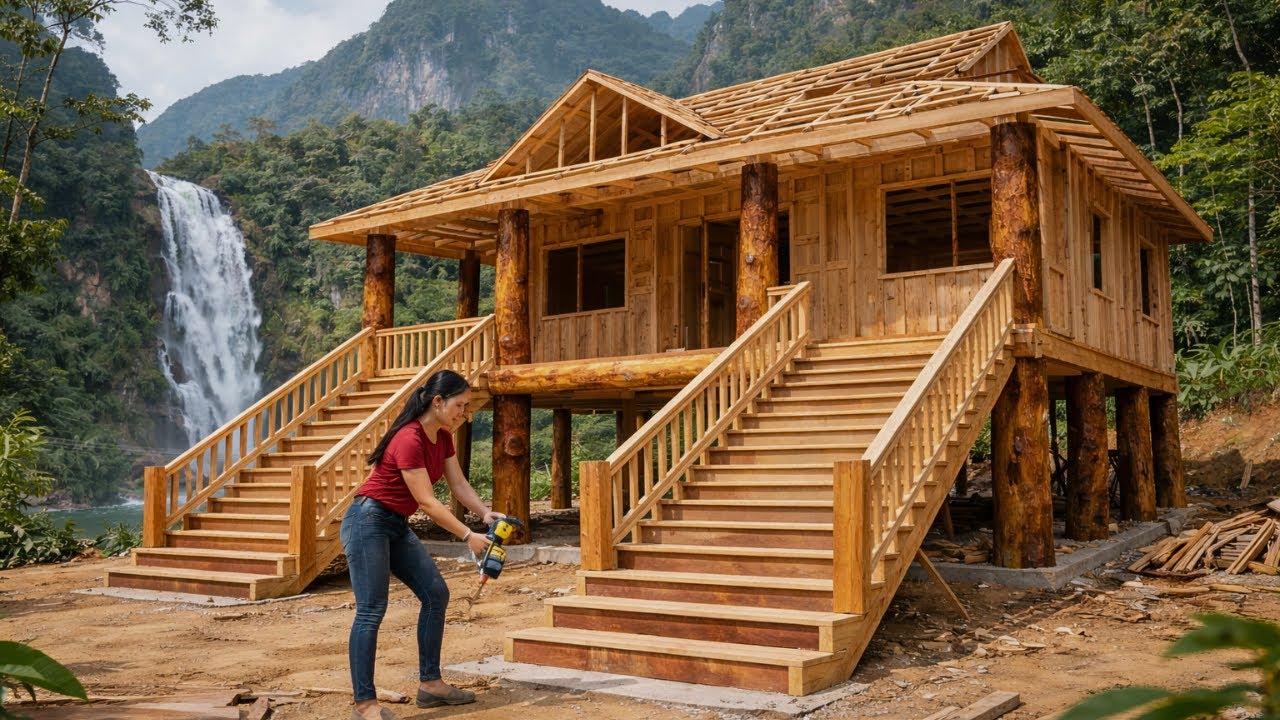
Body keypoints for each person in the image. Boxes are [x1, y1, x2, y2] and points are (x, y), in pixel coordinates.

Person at [340, 368, 501, 720]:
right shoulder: (409, 438)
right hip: (368, 521)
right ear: (438, 401)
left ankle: (430, 685)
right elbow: (427, 501)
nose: (464, 413)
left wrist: (485, 514)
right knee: (371, 609)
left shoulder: (442, 437)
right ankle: (364, 705)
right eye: (460, 405)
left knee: (435, 593)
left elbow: (458, 485)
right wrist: (467, 536)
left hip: (395, 523)